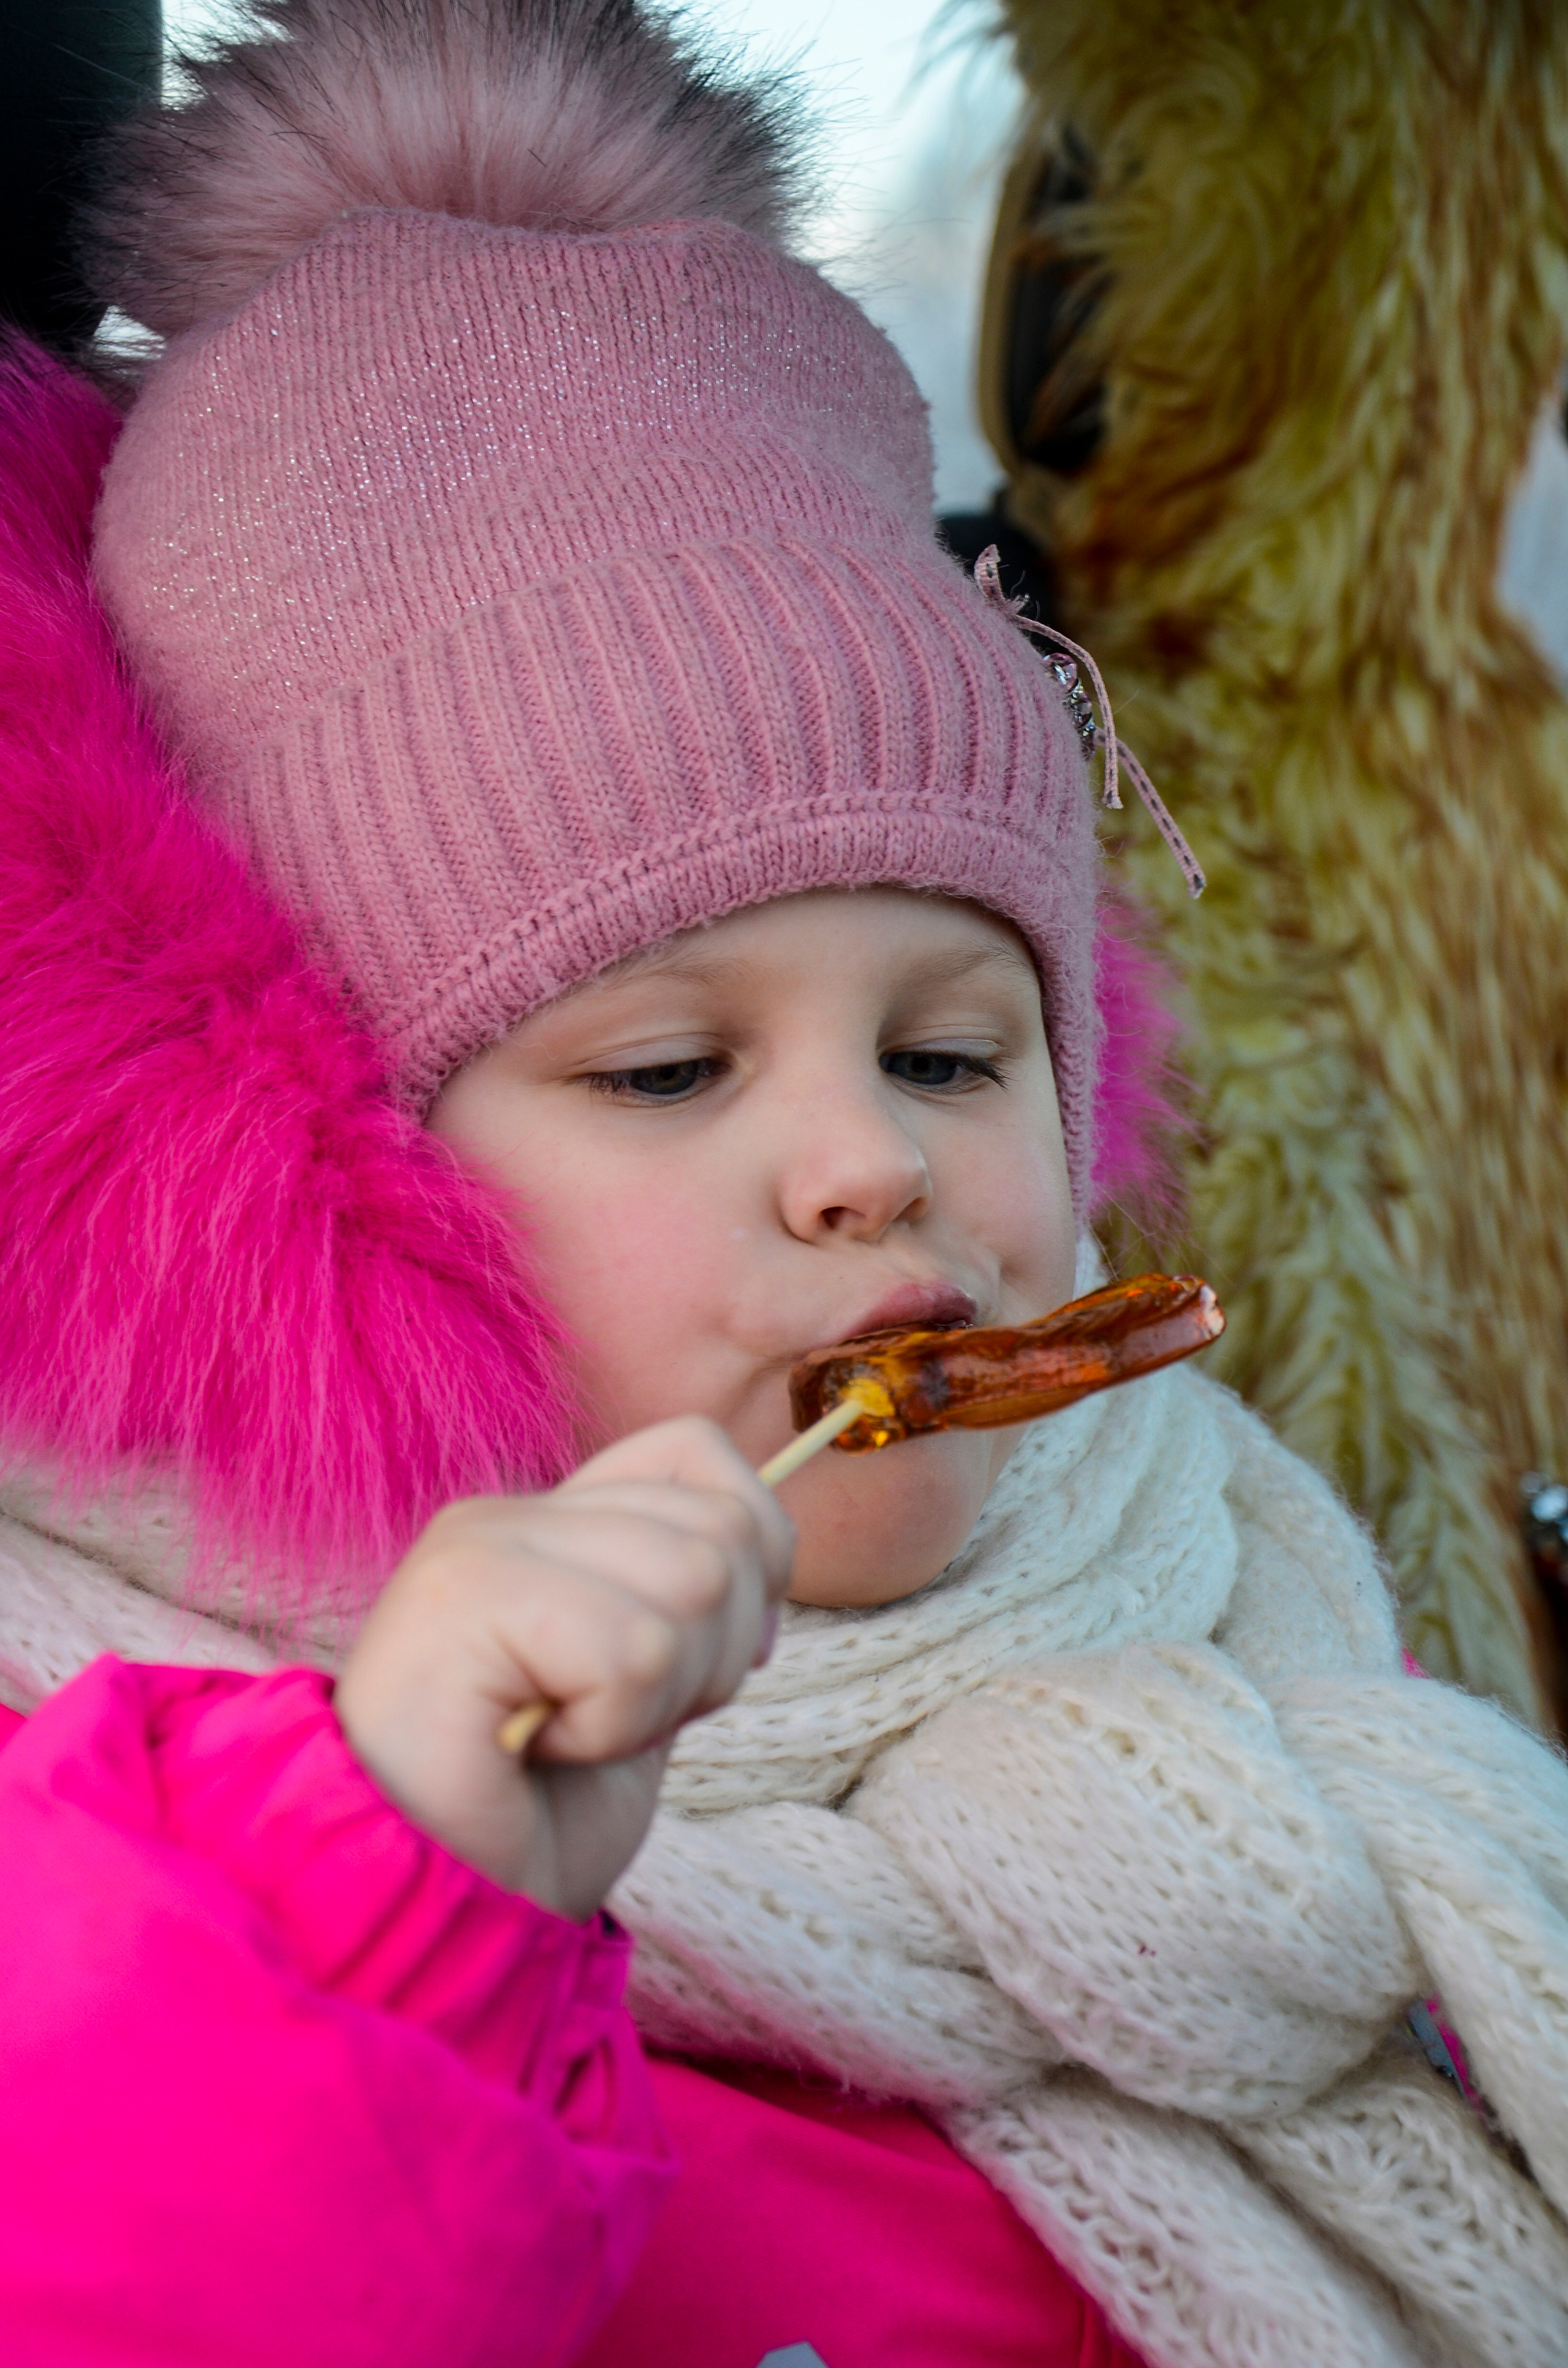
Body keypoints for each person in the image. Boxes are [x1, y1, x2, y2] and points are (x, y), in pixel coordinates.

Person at [2, 3, 1566, 2366]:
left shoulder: (1262, 1614)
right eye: (664, 1068)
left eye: (950, 1050)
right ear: (334, 1189)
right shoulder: (124, 1841)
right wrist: (391, 1893)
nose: (868, 1163)